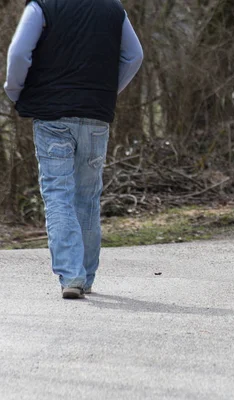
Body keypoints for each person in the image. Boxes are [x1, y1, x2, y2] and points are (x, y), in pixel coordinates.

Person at [4, 0, 143, 299]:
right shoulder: (113, 9)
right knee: (87, 197)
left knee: (58, 194)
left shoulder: (41, 7)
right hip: (95, 116)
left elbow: (18, 54)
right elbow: (134, 56)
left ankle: (72, 276)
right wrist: (105, 93)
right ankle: (87, 276)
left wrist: (15, 91)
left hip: (52, 117)